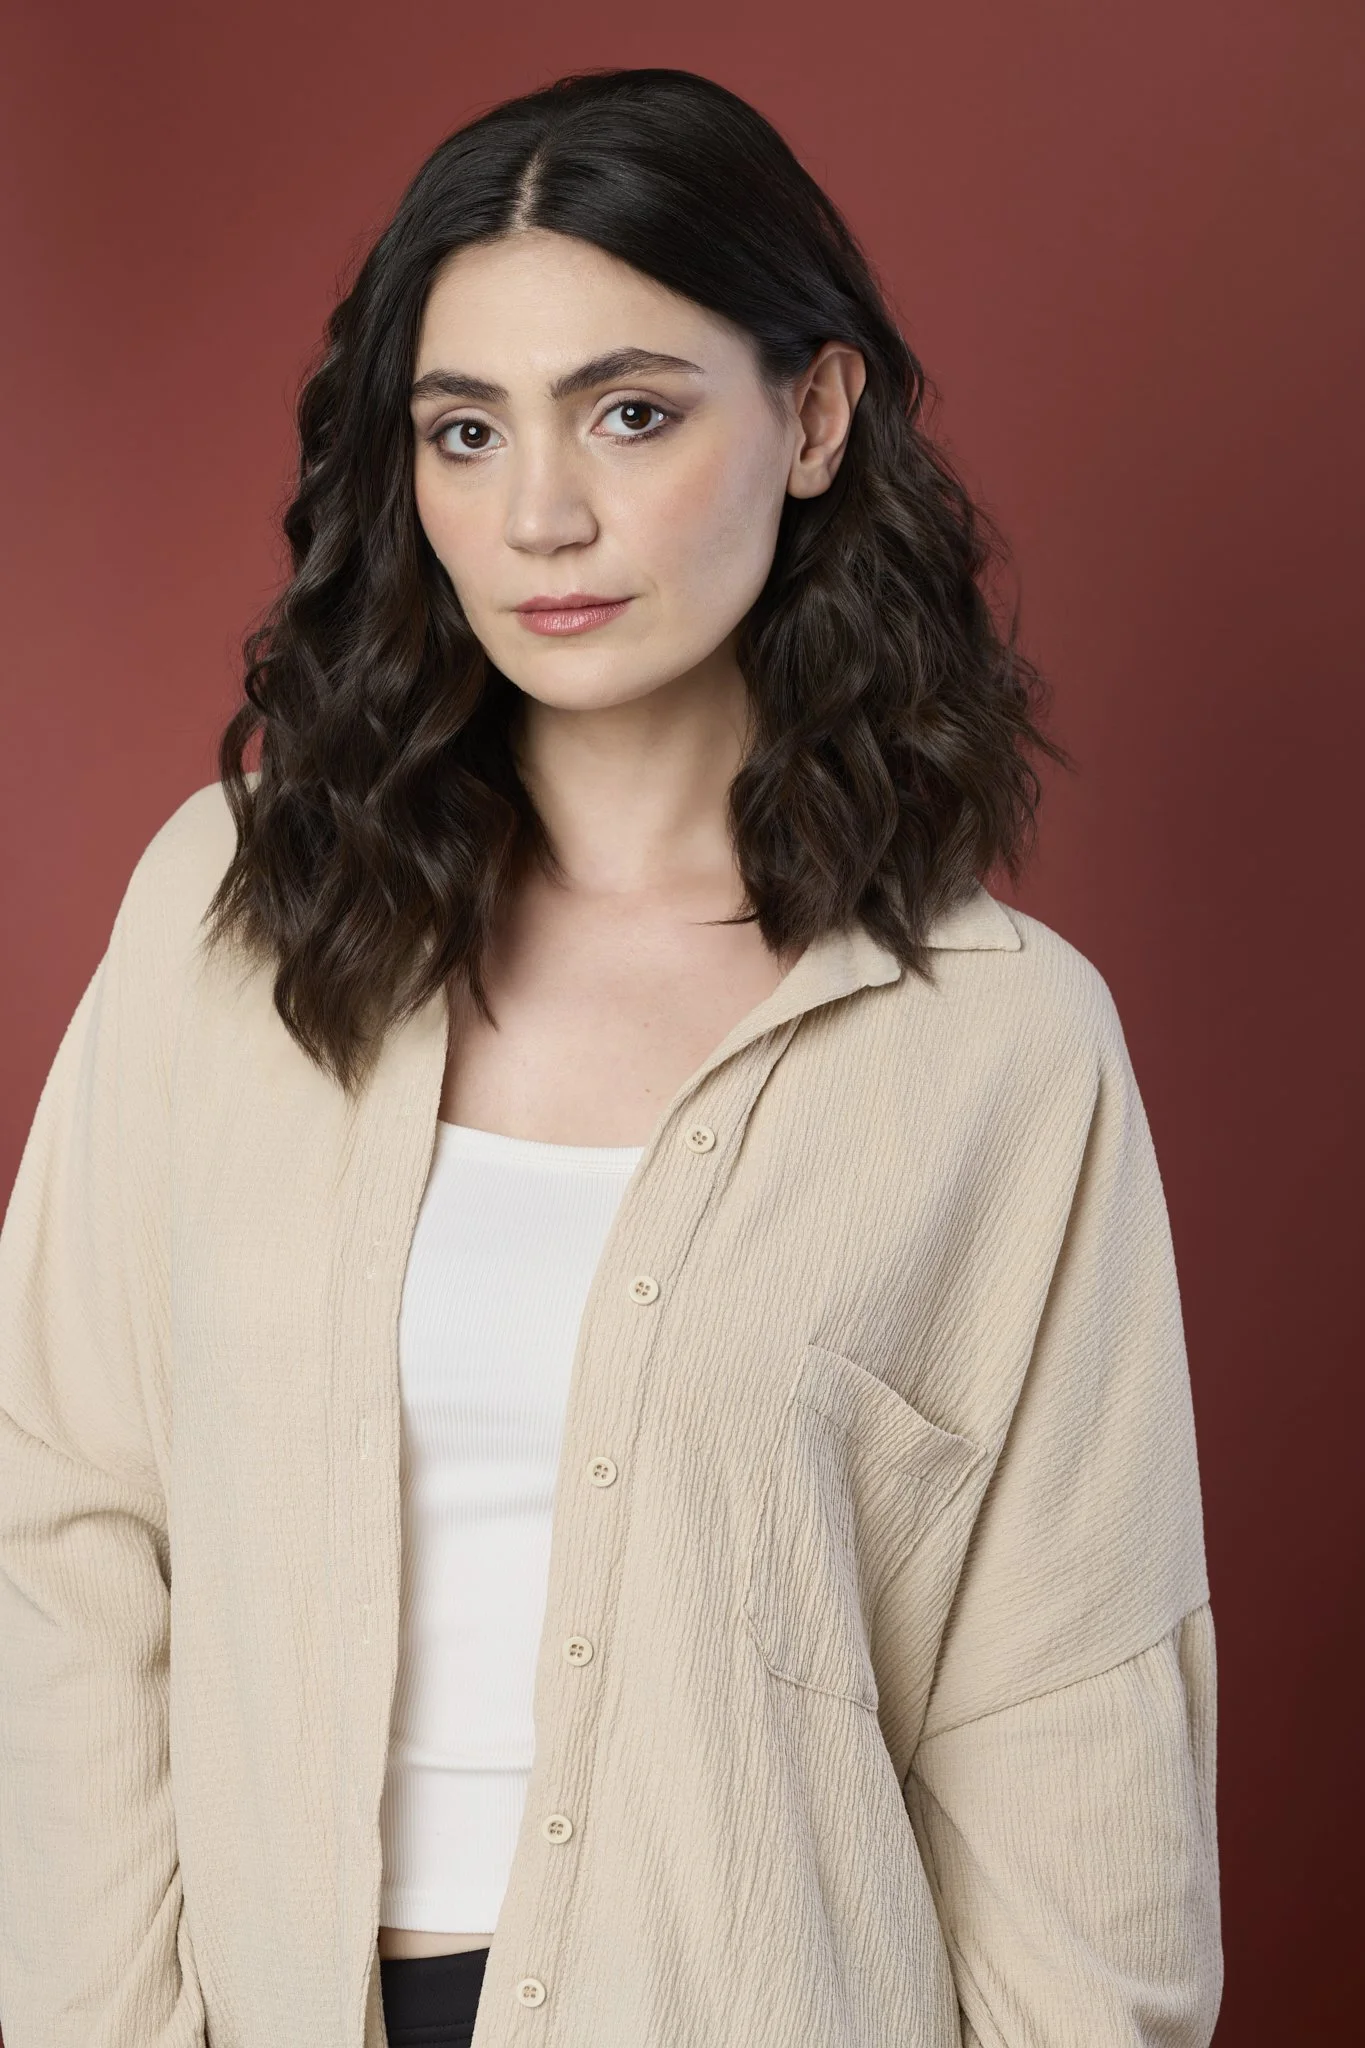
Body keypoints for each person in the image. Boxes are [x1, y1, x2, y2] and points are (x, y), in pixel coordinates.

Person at [0, 64, 1221, 2048]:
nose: (538, 513)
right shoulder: (233, 913)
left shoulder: (997, 1049)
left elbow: (1072, 1736)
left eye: (630, 412)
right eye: (463, 431)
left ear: (813, 417)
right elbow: (58, 1525)